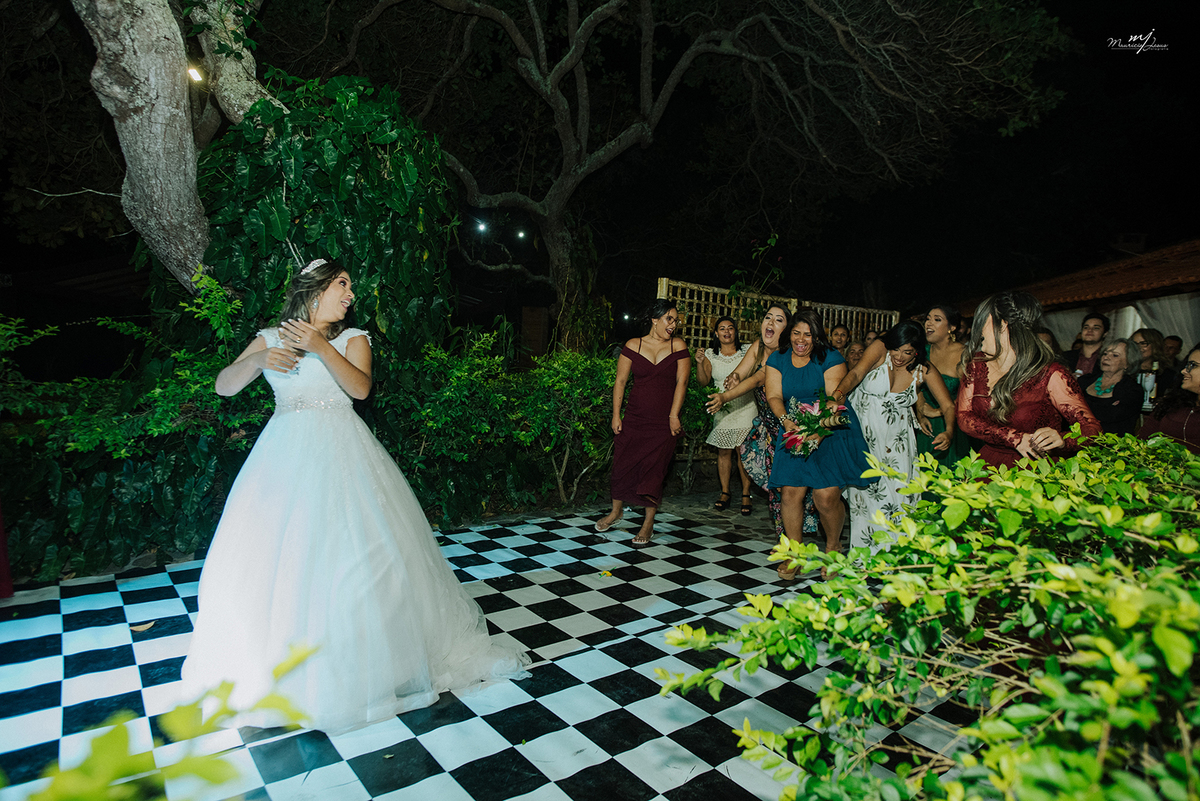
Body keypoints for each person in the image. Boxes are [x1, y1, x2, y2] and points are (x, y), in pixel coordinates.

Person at [181, 259, 530, 734]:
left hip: (344, 455)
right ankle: (284, 666)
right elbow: (224, 387)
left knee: (357, 559)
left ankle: (368, 663)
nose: (350, 294)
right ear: (314, 290)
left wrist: (320, 346)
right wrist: (257, 360)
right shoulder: (271, 336)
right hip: (282, 459)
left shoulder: (352, 338)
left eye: (350, 287)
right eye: (342, 285)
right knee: (282, 560)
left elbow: (360, 389)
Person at [767, 309, 876, 579]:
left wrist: (817, 432)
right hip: (794, 426)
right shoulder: (777, 358)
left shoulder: (831, 357)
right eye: (796, 333)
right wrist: (786, 421)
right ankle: (795, 555)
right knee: (790, 493)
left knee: (825, 497)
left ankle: (833, 546)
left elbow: (834, 400)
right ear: (789, 334)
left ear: (817, 337)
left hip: (829, 425)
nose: (801, 340)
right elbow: (774, 396)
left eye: (808, 334)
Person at [836, 321, 956, 554]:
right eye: (896, 349)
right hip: (864, 438)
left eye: (907, 352)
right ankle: (864, 561)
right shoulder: (880, 348)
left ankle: (894, 559)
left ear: (917, 351)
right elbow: (856, 373)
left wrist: (949, 431)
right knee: (864, 501)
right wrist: (838, 395)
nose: (899, 357)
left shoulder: (923, 370)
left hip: (898, 443)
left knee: (899, 499)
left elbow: (948, 405)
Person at [705, 305, 814, 542]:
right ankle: (786, 539)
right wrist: (734, 377)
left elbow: (756, 380)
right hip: (768, 429)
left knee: (791, 487)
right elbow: (743, 373)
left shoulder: (786, 355)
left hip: (789, 427)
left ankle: (794, 539)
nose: (771, 323)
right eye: (768, 317)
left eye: (778, 319)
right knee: (778, 488)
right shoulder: (758, 347)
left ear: (787, 329)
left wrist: (725, 397)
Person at [956, 291, 1101, 468]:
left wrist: (1064, 440)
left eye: (982, 322)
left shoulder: (1051, 373)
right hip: (989, 463)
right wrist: (1014, 438)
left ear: (1002, 325)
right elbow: (964, 416)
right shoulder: (976, 365)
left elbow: (1092, 430)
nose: (977, 331)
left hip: (1034, 468)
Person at [596, 299, 690, 546]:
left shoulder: (678, 345)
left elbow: (681, 382)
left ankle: (648, 523)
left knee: (654, 472)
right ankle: (616, 512)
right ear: (654, 319)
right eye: (669, 319)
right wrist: (616, 415)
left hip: (663, 423)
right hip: (635, 418)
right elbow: (620, 382)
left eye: (676, 320)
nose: (673, 324)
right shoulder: (633, 345)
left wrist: (674, 415)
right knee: (621, 465)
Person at [696, 316, 754, 514]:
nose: (727, 332)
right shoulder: (710, 354)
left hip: (746, 406)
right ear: (716, 333)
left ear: (736, 331)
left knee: (743, 451)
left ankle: (746, 493)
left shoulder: (747, 350)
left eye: (730, 328)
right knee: (724, 451)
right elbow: (703, 381)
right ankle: (725, 492)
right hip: (723, 407)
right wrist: (699, 363)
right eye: (722, 328)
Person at [915, 304, 968, 464]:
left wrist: (939, 411)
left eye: (937, 319)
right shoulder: (922, 353)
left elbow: (972, 396)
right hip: (926, 427)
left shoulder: (964, 355)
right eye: (927, 319)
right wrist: (920, 413)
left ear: (952, 327)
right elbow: (915, 386)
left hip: (953, 426)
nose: (929, 323)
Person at [1138, 345, 1200, 453]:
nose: (1184, 371)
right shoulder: (1172, 403)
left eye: (1193, 365)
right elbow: (1141, 440)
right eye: (1187, 365)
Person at [1080, 338, 1142, 435]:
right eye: (1105, 353)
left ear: (1128, 363)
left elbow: (1111, 415)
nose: (1106, 358)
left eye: (1115, 355)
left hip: (1112, 442)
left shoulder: (1132, 390)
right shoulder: (1084, 381)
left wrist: (1081, 406)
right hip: (1077, 437)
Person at [1131, 328, 1182, 413]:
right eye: (1134, 344)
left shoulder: (1167, 374)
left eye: (1143, 343)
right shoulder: (1126, 370)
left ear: (1155, 345)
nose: (1138, 347)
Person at [1063, 312, 1109, 378]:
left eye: (1096, 328)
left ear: (1105, 333)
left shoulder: (1108, 359)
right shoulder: (1066, 357)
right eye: (1086, 327)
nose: (1090, 330)